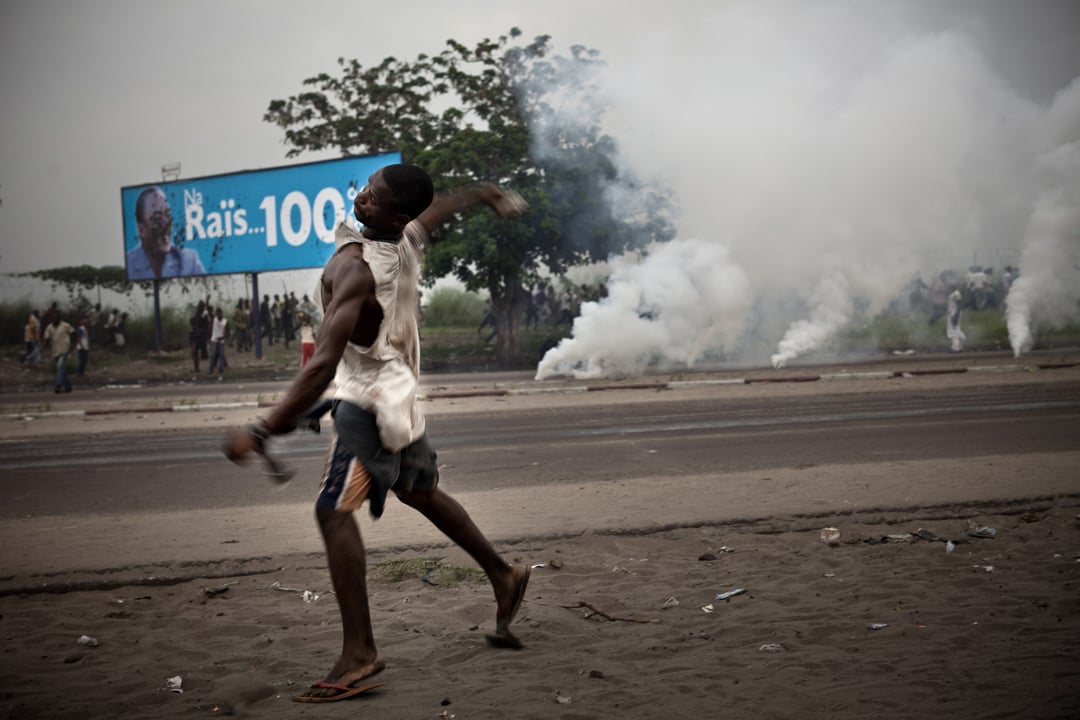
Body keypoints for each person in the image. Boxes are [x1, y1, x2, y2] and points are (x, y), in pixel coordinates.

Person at [222, 164, 531, 703]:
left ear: (395, 214)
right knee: (418, 491)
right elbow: (435, 213)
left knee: (332, 510)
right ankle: (504, 575)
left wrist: (263, 427)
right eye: (364, 190)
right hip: (399, 391)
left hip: (366, 402)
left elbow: (322, 365)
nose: (360, 199)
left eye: (373, 198)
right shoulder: (404, 238)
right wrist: (481, 194)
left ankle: (360, 653)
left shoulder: (357, 269)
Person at [126, 187, 206, 280]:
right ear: (141, 230)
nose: (166, 223)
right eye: (157, 217)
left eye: (167, 215)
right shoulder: (128, 265)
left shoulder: (188, 260)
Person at [43, 314, 75, 393]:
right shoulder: (49, 327)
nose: (54, 318)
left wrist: (73, 345)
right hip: (55, 351)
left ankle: (58, 385)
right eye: (52, 317)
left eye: (55, 317)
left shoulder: (65, 325)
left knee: (60, 367)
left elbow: (74, 333)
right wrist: (42, 348)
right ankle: (68, 387)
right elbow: (46, 339)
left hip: (64, 349)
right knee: (62, 369)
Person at [208, 307, 229, 375]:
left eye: (220, 313)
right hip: (214, 339)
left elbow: (228, 331)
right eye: (217, 313)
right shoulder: (214, 319)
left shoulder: (225, 321)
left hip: (221, 341)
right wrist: (207, 300)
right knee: (213, 355)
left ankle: (221, 369)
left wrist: (223, 337)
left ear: (222, 313)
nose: (218, 315)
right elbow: (208, 311)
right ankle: (211, 369)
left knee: (221, 355)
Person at [947, 287, 965, 352]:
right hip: (952, 312)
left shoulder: (956, 293)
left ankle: (955, 347)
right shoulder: (954, 293)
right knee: (955, 329)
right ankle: (959, 346)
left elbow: (959, 305)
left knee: (953, 330)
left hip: (954, 313)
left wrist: (956, 316)